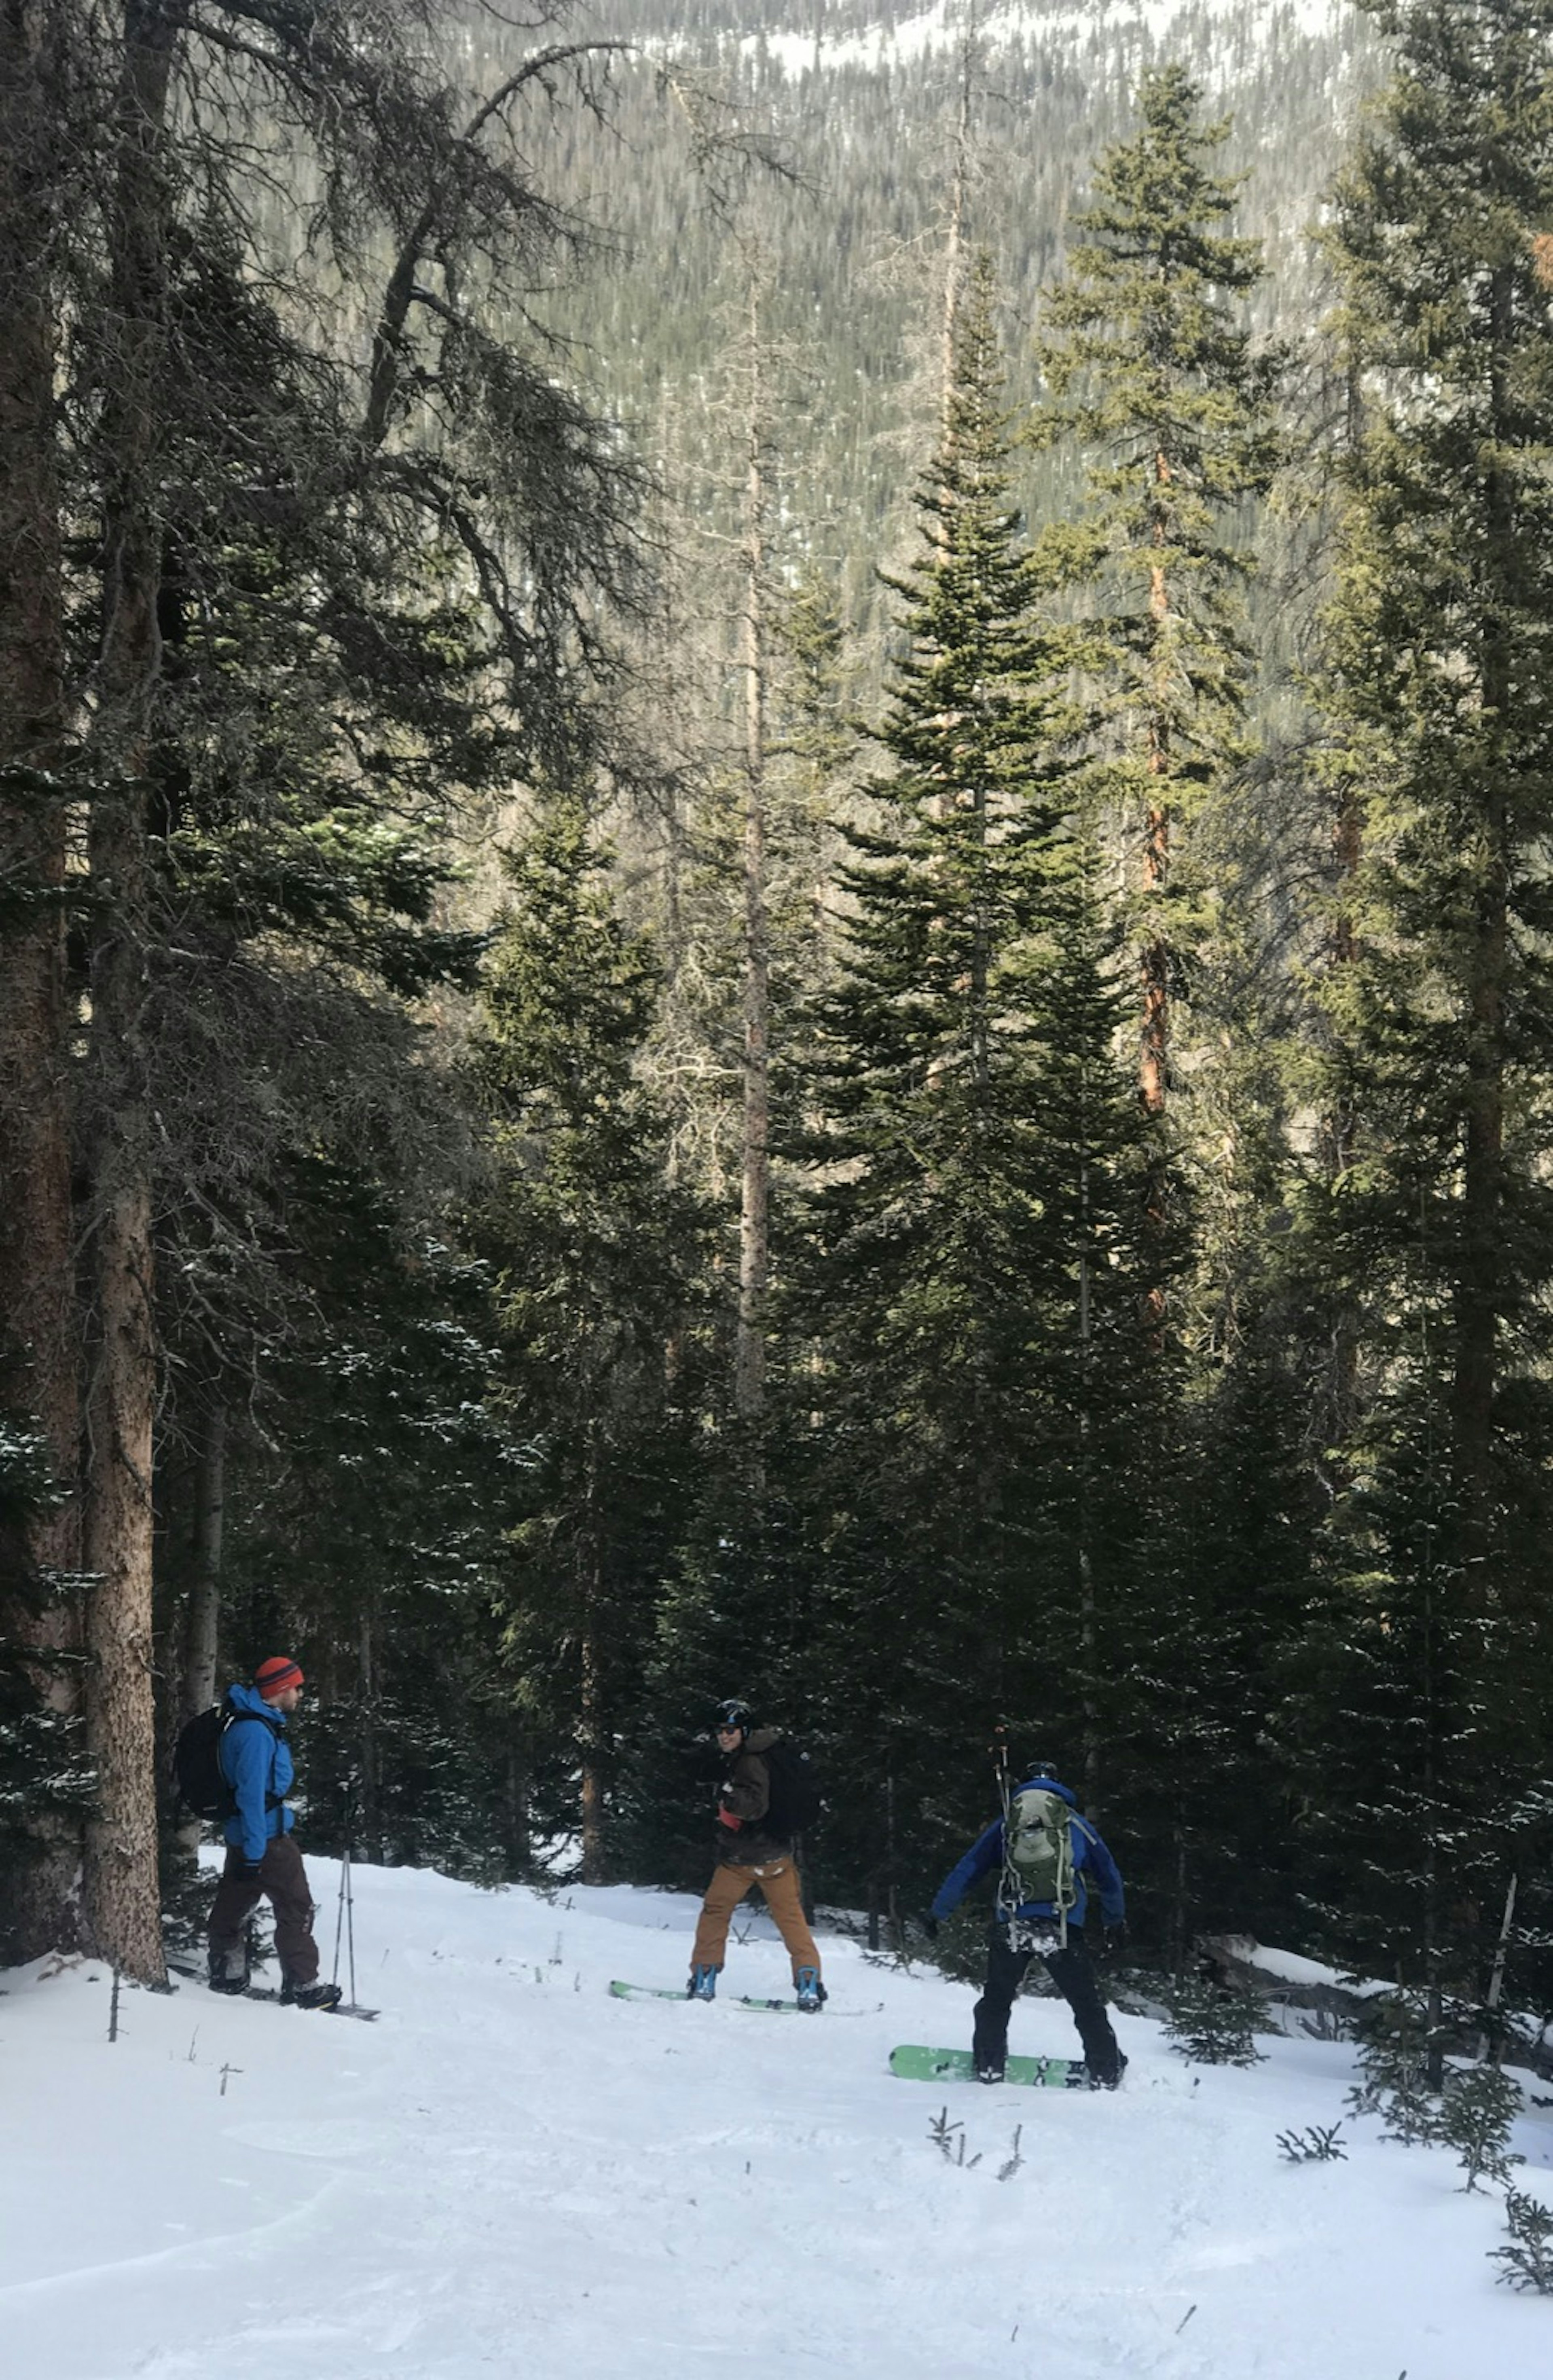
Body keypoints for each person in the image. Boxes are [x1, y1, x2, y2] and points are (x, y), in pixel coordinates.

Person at [927, 1759, 1126, 2086]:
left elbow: (969, 1867)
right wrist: (1114, 1919)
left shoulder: (1008, 1823)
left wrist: (939, 1912)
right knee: (1085, 2003)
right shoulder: (1074, 1825)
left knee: (997, 1998)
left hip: (1013, 1923)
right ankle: (1105, 2069)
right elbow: (1109, 1875)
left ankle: (989, 2064)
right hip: (1062, 1926)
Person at [207, 1656, 342, 2010]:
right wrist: (254, 1852)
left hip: (249, 1837)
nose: (299, 1694)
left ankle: (228, 1973)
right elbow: (251, 1795)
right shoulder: (255, 1733)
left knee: (234, 1905)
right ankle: (304, 1986)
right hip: (265, 1839)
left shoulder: (254, 1724)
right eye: (296, 1687)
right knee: (296, 1908)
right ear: (280, 1689)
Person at [688, 1698, 825, 2012]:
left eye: (730, 1730)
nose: (724, 1737)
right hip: (776, 1857)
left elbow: (754, 1806)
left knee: (716, 1911)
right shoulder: (771, 1751)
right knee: (791, 1919)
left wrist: (726, 1796)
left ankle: (704, 1976)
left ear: (744, 1730)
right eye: (720, 1731)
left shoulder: (749, 1760)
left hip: (740, 1859)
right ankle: (808, 1980)